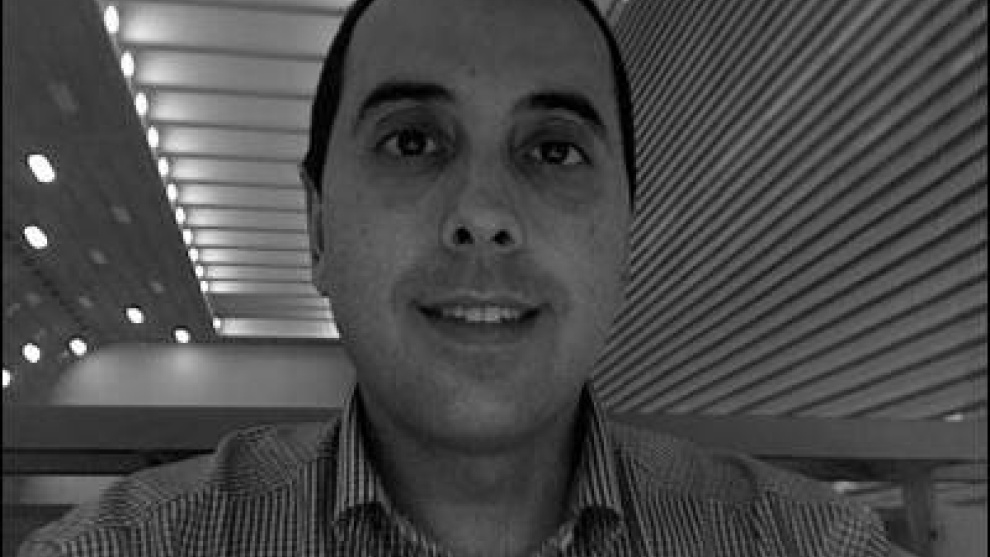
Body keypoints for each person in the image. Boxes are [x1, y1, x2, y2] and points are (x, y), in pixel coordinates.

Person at [21, 0, 896, 555]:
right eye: (412, 141)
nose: (483, 211)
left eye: (553, 150)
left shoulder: (813, 543)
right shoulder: (124, 546)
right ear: (318, 227)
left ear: (626, 232)